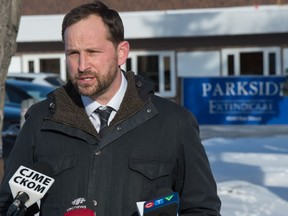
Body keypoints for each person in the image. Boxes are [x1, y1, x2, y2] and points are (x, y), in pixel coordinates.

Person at [0, 1, 221, 215]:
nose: (82, 65)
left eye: (93, 52)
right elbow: (8, 205)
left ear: (121, 53)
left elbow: (201, 208)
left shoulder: (173, 122)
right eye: (73, 53)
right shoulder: (41, 121)